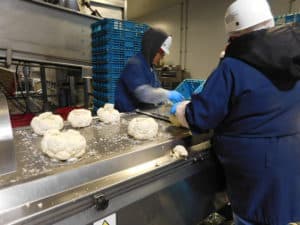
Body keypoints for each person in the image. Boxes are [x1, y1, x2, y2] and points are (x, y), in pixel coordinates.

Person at [171, 0, 300, 224]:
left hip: (254, 167)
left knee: (252, 217)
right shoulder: (292, 56)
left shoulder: (235, 64)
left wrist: (181, 109)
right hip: (289, 155)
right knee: (275, 215)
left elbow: (201, 117)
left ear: (235, 32)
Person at [114, 27, 184, 112]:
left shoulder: (150, 67)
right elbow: (144, 94)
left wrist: (168, 102)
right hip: (127, 114)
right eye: (161, 53)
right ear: (152, 48)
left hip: (140, 113)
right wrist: (168, 94)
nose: (162, 57)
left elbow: (156, 88)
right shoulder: (135, 64)